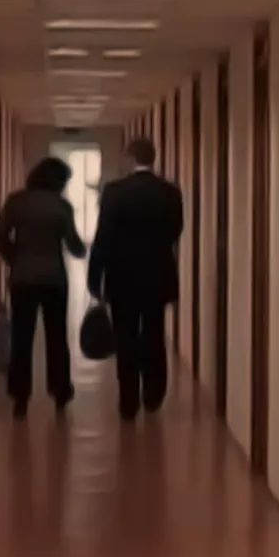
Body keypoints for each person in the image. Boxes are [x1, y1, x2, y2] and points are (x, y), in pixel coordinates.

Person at [87, 138, 184, 421]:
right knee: (154, 333)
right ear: (152, 159)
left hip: (122, 277)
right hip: (157, 275)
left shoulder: (114, 192)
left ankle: (128, 401)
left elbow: (103, 236)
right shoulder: (170, 192)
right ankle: (153, 395)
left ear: (130, 159)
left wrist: (95, 277)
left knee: (125, 336)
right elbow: (175, 230)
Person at [0, 157, 87, 419]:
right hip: (54, 279)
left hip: (22, 278)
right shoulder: (61, 206)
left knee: (22, 337)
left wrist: (14, 257)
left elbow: (0, 233)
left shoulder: (16, 201)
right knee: (56, 337)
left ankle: (20, 396)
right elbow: (73, 244)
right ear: (57, 181)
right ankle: (60, 392)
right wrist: (82, 250)